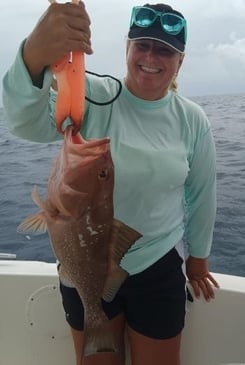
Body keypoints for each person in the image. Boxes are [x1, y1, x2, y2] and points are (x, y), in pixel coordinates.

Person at [2, 2, 219, 365]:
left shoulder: (192, 119)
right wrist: (33, 54)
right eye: (143, 45)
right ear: (127, 49)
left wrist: (198, 259)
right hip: (82, 266)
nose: (152, 56)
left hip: (157, 262)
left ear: (179, 61)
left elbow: (201, 194)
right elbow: (25, 122)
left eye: (165, 50)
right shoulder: (91, 93)